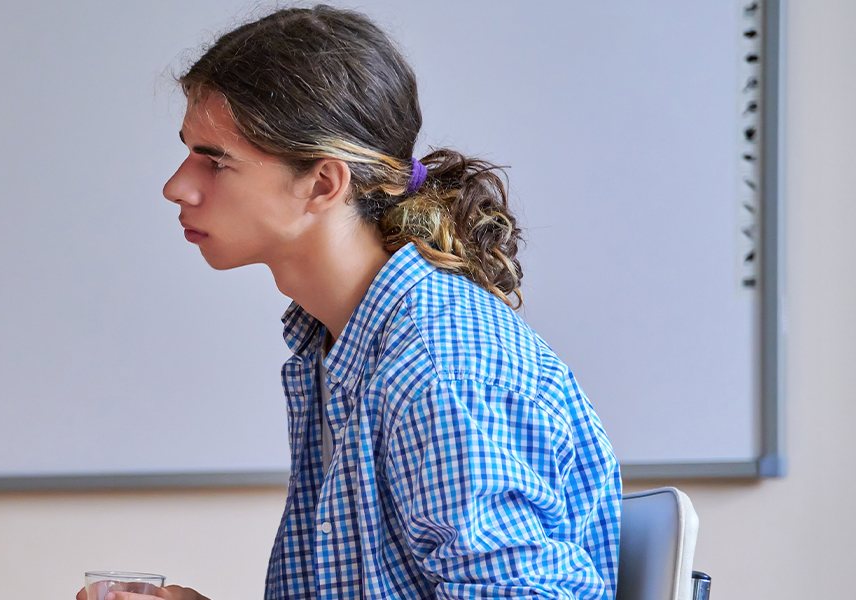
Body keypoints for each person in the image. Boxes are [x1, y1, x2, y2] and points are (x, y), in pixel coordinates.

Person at [96, 6, 622, 599]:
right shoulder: (342, 342)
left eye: (215, 161)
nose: (177, 186)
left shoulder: (437, 370)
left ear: (323, 183)